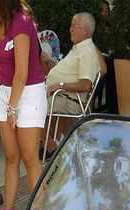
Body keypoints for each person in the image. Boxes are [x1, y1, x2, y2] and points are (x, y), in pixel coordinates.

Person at [0, 0, 46, 210]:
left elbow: (22, 73)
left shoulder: (21, 21)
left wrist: (12, 109)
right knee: (10, 157)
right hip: (5, 91)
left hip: (28, 92)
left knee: (30, 158)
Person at [43, 11, 102, 153]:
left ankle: (49, 146)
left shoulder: (86, 51)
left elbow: (86, 85)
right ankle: (48, 145)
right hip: (61, 96)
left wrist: (60, 85)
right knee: (29, 102)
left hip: (68, 100)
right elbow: (62, 72)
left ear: (85, 29)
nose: (70, 29)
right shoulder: (78, 49)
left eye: (74, 26)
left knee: (30, 107)